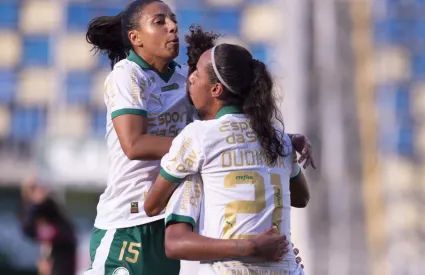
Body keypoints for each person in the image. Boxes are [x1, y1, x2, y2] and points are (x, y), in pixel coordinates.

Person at [84, 1, 314, 274]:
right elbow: (134, 144)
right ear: (135, 38)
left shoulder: (185, 79)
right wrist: (196, 149)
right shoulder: (127, 75)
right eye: (159, 22)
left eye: (173, 20)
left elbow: (224, 128)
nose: (172, 27)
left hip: (170, 215)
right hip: (129, 220)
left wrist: (282, 139)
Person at [144, 43, 310, 274]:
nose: (190, 78)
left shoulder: (197, 137)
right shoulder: (279, 139)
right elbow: (302, 198)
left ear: (216, 90)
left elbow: (152, 206)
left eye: (197, 73)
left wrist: (250, 246)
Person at [20, 177, 77, 275]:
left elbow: (66, 230)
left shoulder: (48, 206)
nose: (40, 191)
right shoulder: (30, 211)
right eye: (34, 189)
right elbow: (28, 229)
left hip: (61, 249)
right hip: (54, 251)